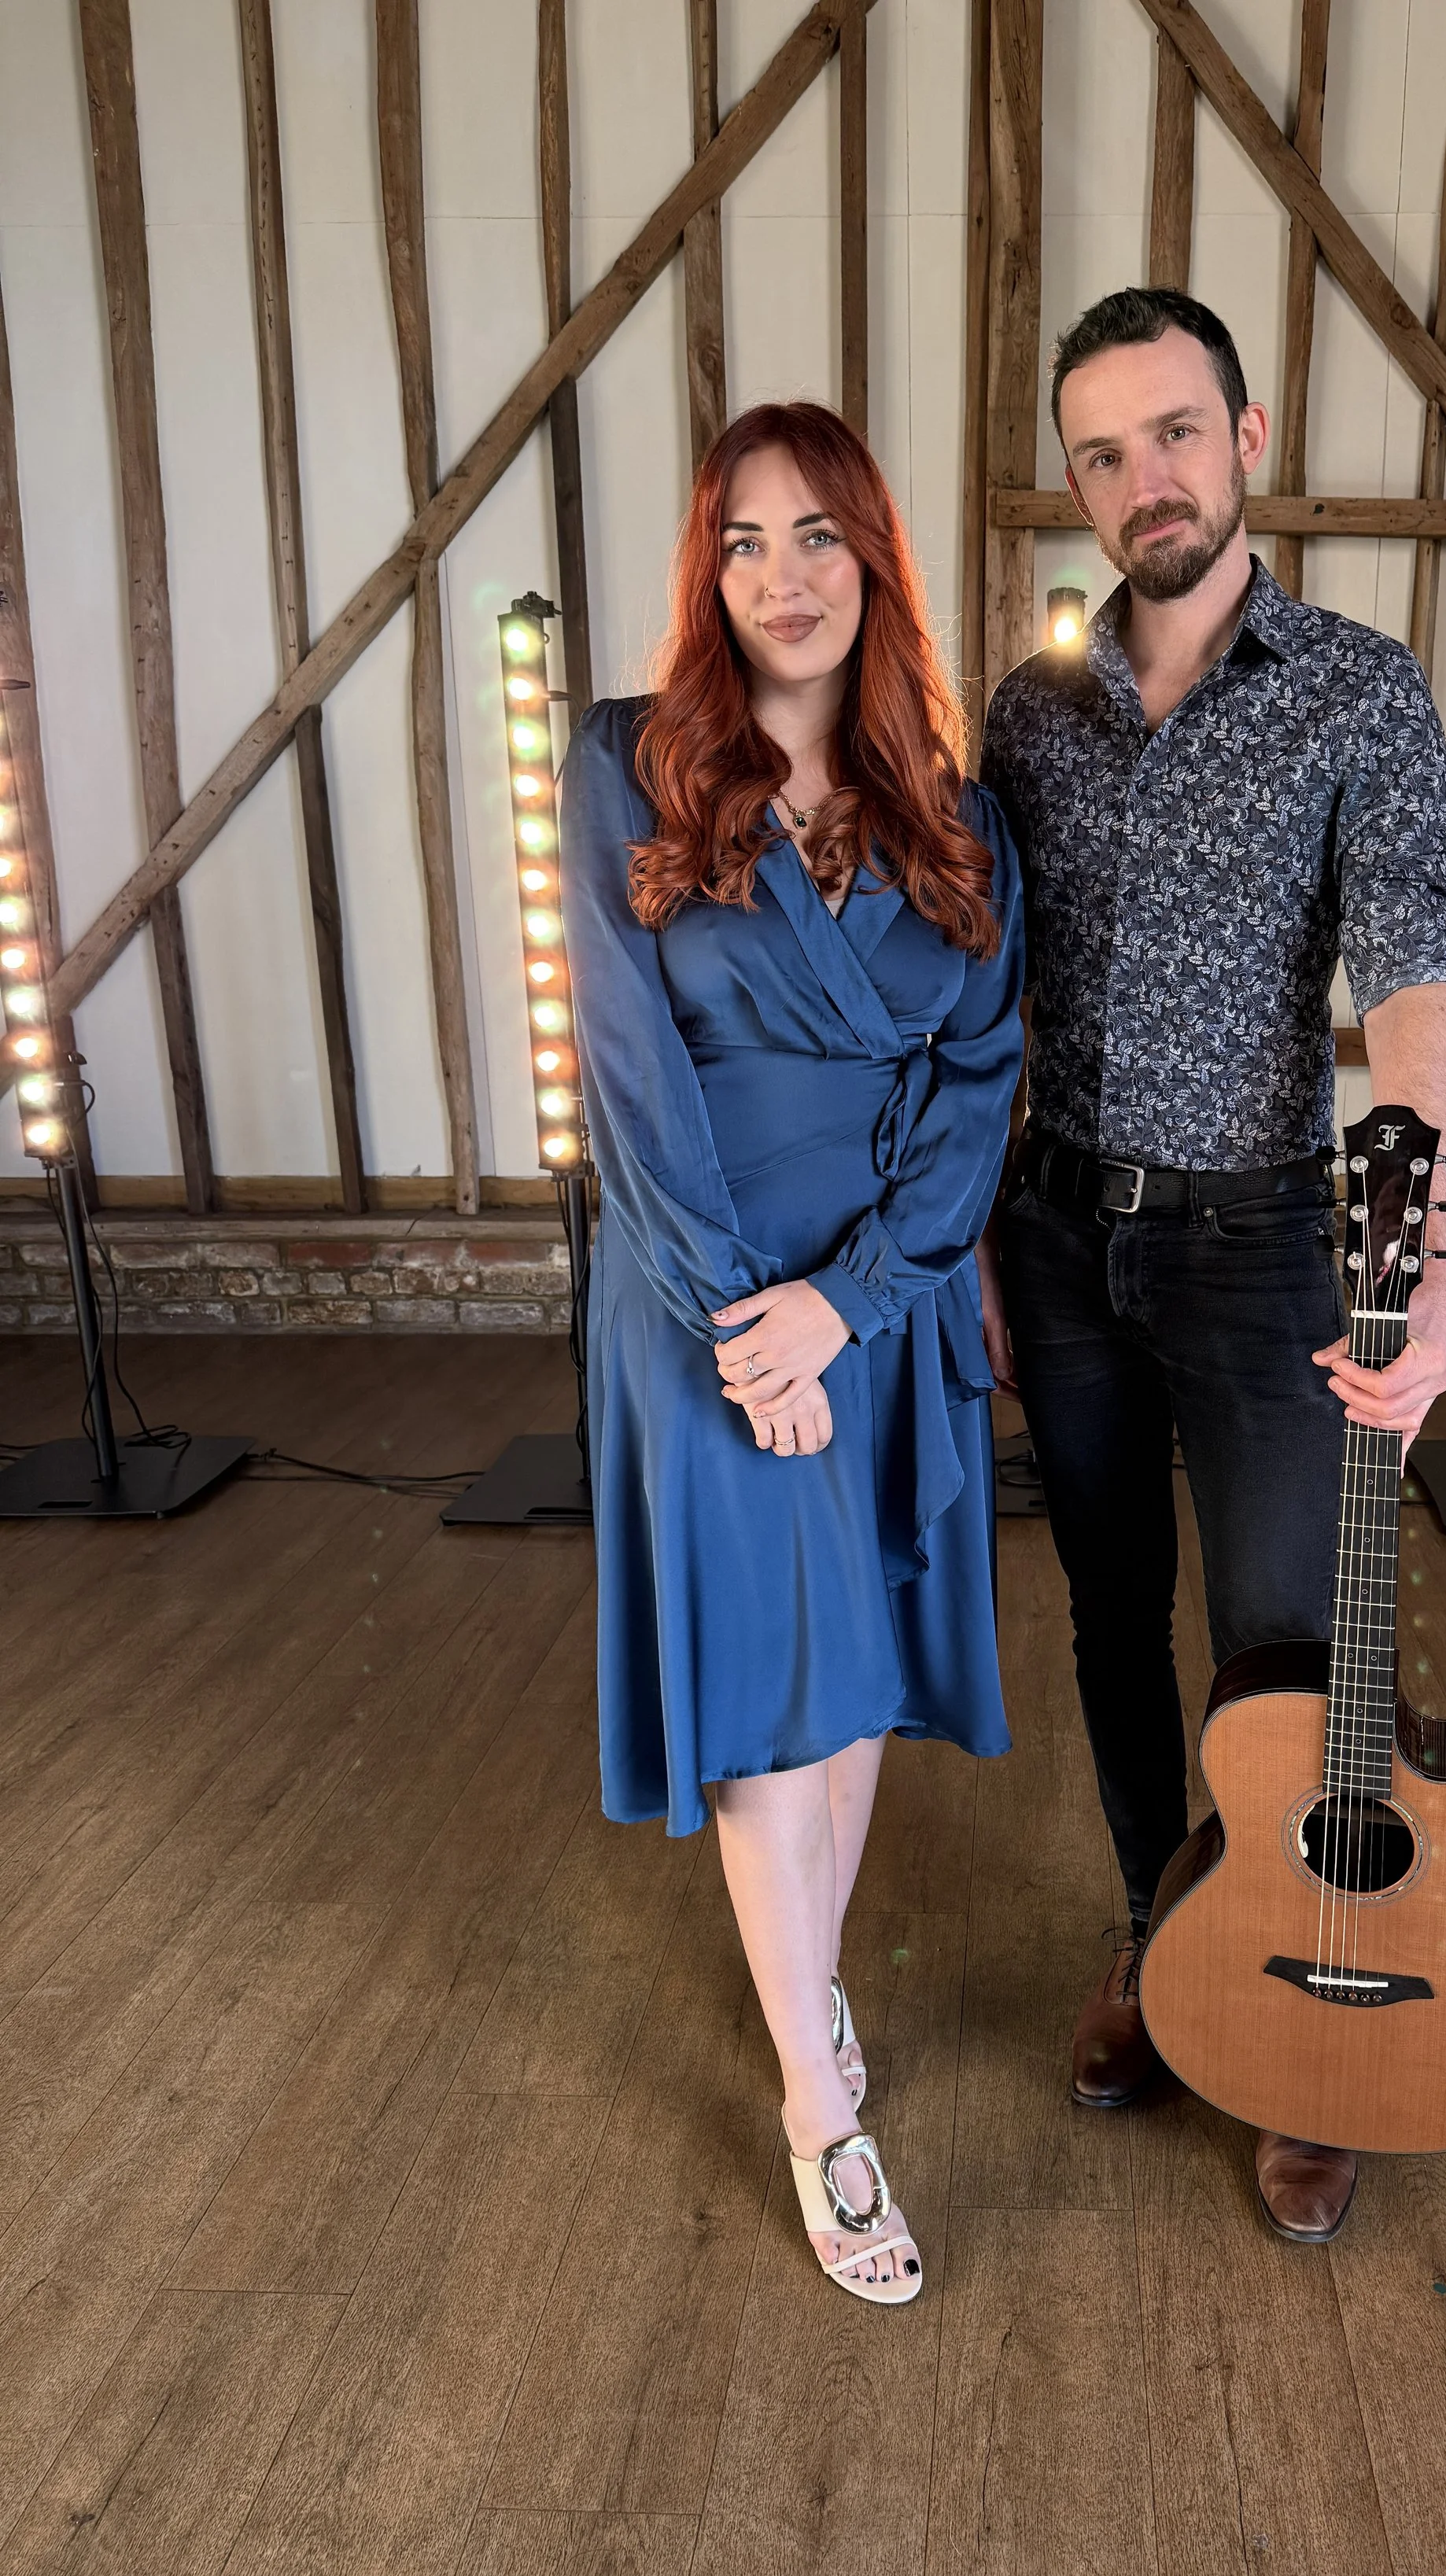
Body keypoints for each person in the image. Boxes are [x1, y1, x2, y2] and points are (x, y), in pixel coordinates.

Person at [979, 286, 1446, 2244]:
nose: (1140, 483)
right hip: (1058, 1224)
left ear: (1248, 434)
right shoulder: (1029, 709)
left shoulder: (1359, 690)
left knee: (1278, 1658)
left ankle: (1301, 2010)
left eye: (1172, 433)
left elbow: (1412, 991)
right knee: (1109, 1619)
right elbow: (981, 996)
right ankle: (1151, 1935)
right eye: (1101, 453)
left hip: (1273, 1233)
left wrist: (1425, 1259)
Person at [560, 400, 1024, 2306]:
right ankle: (816, 2101)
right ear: (707, 573)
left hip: (881, 1304)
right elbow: (626, 1062)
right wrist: (750, 1323)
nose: (783, 577)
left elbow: (977, 1077)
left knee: (854, 1694)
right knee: (772, 1702)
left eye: (817, 534)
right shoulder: (627, 766)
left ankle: (803, 1981)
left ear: (872, 561)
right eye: (744, 541)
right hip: (701, 1304)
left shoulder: (956, 819)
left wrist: (859, 1294)